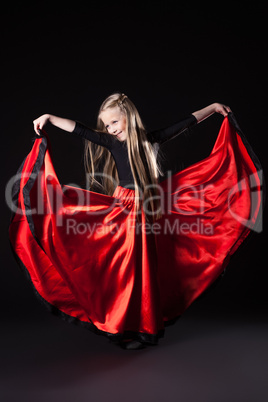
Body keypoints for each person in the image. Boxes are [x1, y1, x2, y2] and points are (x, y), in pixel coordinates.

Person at [9, 93, 262, 350]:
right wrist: (49, 118)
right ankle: (120, 324)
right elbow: (80, 130)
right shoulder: (111, 142)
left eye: (114, 123)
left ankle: (143, 327)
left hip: (148, 210)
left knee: (145, 270)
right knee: (127, 270)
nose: (111, 129)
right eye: (107, 125)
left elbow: (185, 123)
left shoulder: (149, 140)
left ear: (128, 117)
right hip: (124, 209)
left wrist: (213, 107)